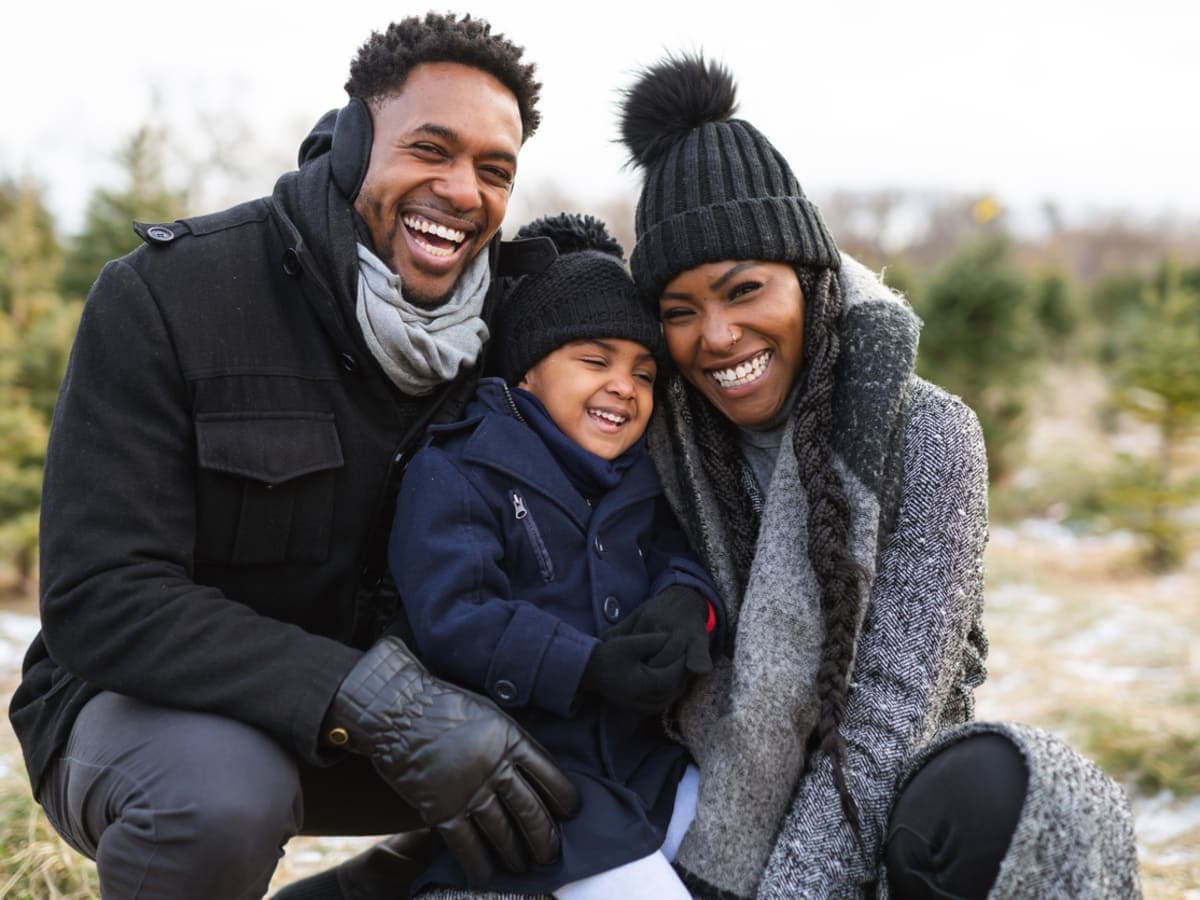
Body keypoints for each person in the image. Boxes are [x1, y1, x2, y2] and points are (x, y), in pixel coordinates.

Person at [7, 14, 585, 900]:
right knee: (220, 797)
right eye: (431, 149)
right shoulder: (169, 295)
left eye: (493, 169)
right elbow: (101, 597)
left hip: (416, 727)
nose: (463, 190)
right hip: (152, 717)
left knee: (608, 752)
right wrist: (375, 700)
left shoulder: (515, 328)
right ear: (354, 142)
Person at [601, 53, 1142, 900]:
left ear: (808, 282)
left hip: (874, 794)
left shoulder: (929, 435)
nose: (716, 336)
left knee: (1012, 793)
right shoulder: (655, 435)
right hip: (690, 791)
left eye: (744, 290)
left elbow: (889, 713)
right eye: (679, 311)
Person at [389, 213, 723, 898]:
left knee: (745, 858)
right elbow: (455, 617)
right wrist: (586, 666)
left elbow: (680, 556)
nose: (623, 387)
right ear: (527, 374)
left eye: (644, 372)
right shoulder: (458, 468)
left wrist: (689, 605)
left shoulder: (642, 472)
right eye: (594, 361)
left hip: (644, 766)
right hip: (533, 777)